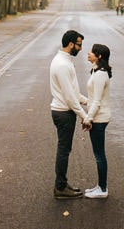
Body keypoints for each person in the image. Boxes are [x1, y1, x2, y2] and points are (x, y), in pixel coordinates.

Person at [49, 29, 89, 199]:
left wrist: (87, 101)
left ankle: (63, 184)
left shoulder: (63, 61)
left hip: (64, 110)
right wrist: (84, 116)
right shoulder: (63, 64)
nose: (80, 48)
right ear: (71, 44)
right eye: (79, 44)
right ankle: (60, 187)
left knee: (64, 149)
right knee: (64, 150)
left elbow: (73, 92)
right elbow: (69, 97)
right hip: (64, 113)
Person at [82, 43, 113, 199]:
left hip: (99, 118)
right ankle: (100, 186)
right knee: (98, 153)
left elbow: (97, 102)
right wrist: (81, 100)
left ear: (99, 56)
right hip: (98, 116)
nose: (88, 53)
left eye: (92, 52)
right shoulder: (96, 71)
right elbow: (93, 99)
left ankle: (102, 189)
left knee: (99, 154)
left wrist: (88, 119)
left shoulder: (100, 74)